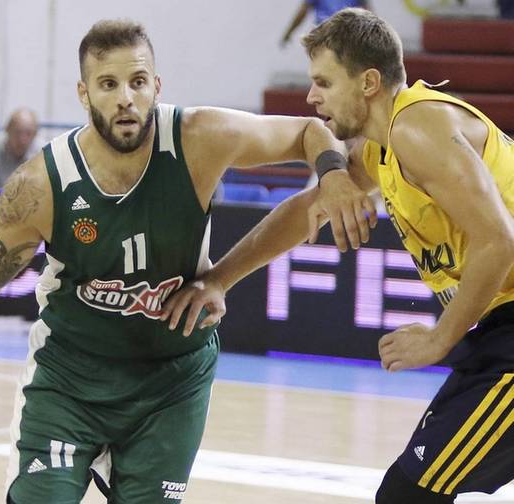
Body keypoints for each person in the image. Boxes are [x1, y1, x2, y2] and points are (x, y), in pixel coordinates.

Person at [0, 19, 371, 503]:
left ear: (156, 87)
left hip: (172, 382)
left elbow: (309, 132)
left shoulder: (200, 138)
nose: (125, 98)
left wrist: (332, 176)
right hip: (70, 382)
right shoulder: (41, 184)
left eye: (138, 82)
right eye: (108, 84)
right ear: (84, 93)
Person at [163, 8, 514, 504]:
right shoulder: (381, 150)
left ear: (368, 82)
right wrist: (220, 278)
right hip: (497, 333)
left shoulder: (418, 126)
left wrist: (440, 338)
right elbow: (306, 208)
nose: (312, 97)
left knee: (409, 494)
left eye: (324, 82)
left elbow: (499, 241)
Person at [280, 0, 369, 47]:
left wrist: (289, 32)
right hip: (346, 31)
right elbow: (367, 12)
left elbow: (303, 11)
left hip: (327, 32)